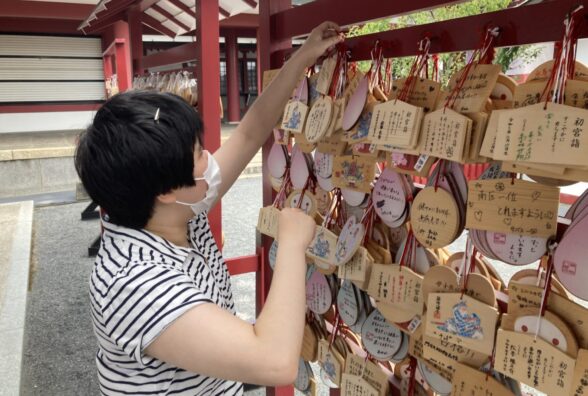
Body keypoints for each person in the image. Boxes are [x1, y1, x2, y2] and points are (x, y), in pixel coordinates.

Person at [75, 22, 343, 395]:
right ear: (167, 190)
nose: (210, 161)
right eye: (200, 153)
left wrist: (303, 56)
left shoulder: (173, 213)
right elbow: (275, 360)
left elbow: (250, 132)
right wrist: (293, 244)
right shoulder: (135, 281)